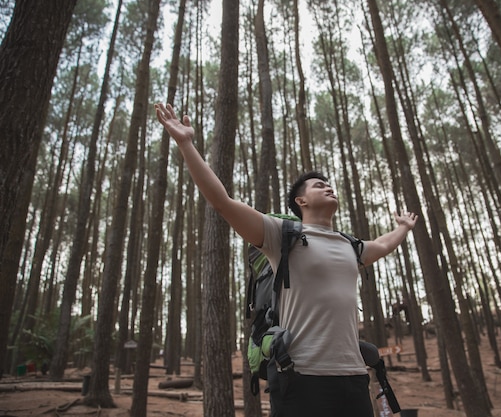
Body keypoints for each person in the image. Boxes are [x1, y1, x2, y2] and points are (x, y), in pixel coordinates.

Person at [155, 102, 417, 417]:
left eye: (329, 183)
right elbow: (222, 202)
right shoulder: (281, 235)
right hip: (301, 377)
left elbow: (383, 244)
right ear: (301, 200)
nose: (328, 187)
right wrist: (186, 144)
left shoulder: (351, 245)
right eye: (319, 185)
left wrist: (402, 227)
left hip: (354, 377)